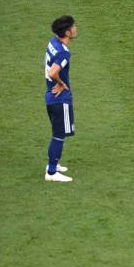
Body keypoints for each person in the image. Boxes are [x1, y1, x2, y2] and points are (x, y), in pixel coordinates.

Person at [44, 16, 77, 182]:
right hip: (59, 99)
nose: (75, 28)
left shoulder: (53, 42)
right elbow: (52, 72)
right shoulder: (64, 52)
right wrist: (62, 83)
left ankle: (54, 164)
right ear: (67, 32)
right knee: (59, 135)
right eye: (73, 27)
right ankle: (51, 172)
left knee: (58, 133)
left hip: (50, 96)